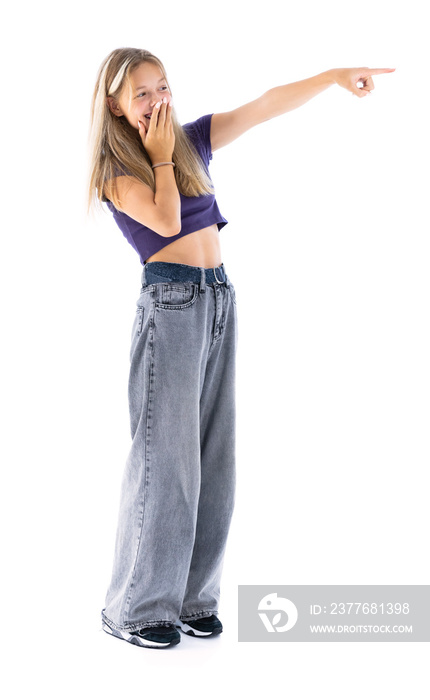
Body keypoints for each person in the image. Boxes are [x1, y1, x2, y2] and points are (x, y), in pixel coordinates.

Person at [87, 47, 395, 649]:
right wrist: (160, 158)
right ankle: (135, 607)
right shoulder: (116, 171)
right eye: (142, 94)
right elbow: (169, 222)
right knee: (165, 459)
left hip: (219, 300)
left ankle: (192, 598)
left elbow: (263, 107)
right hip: (170, 307)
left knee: (214, 457)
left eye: (162, 86)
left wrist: (332, 77)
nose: (157, 101)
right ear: (117, 107)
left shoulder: (193, 141)